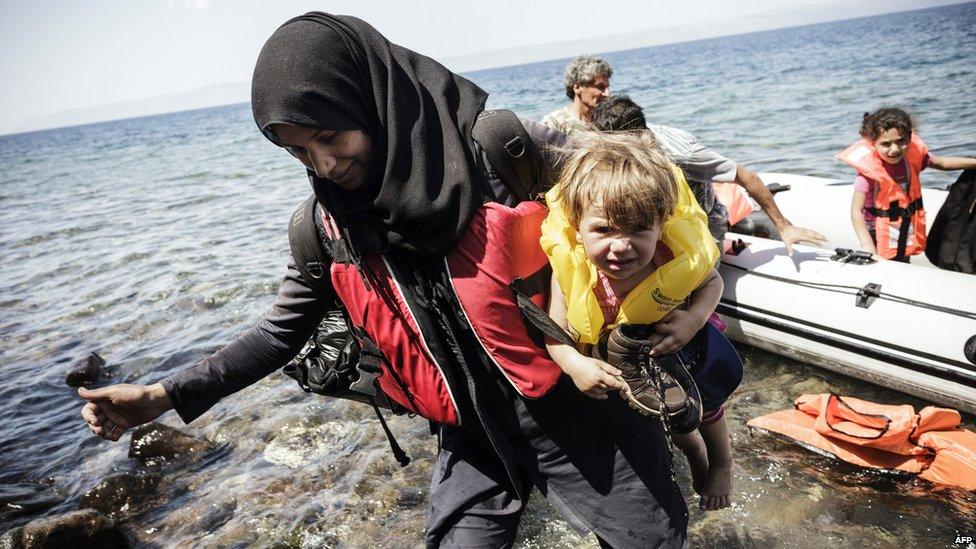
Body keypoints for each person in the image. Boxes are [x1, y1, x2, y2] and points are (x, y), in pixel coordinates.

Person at [78, 13, 688, 548]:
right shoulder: (326, 228)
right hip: (468, 432)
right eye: (297, 151)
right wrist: (163, 396)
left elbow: (633, 180)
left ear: (371, 99)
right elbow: (279, 332)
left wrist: (689, 296)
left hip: (576, 404)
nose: (323, 164)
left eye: (329, 136)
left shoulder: (501, 150)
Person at [539, 131, 741, 512]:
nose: (621, 245)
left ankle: (722, 462)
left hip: (680, 343)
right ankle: (695, 455)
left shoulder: (668, 258)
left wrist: (693, 320)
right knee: (671, 415)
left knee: (708, 408)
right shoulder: (571, 270)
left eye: (638, 229)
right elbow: (555, 331)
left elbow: (712, 281)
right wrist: (575, 364)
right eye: (603, 229)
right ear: (576, 226)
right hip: (631, 361)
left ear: (661, 223)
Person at [590, 95, 827, 254]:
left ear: (634, 135)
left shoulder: (683, 153)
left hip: (703, 226)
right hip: (660, 220)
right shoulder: (619, 143)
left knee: (693, 283)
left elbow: (745, 176)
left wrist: (784, 226)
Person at [838, 107, 976, 262]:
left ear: (910, 136)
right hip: (876, 231)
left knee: (903, 259)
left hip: (903, 225)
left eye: (901, 141)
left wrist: (974, 163)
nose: (895, 149)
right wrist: (867, 245)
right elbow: (856, 211)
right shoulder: (867, 176)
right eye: (886, 144)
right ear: (873, 143)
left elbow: (941, 163)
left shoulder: (910, 159)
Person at [539, 55, 612, 134]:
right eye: (600, 87)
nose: (607, 94)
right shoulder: (555, 123)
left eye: (607, 87)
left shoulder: (608, 121)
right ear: (577, 88)